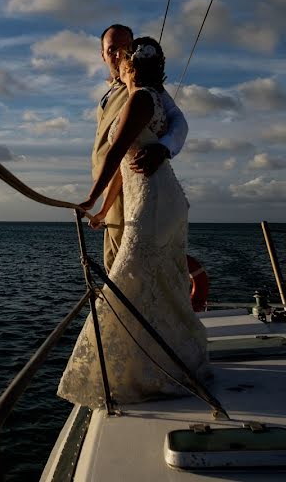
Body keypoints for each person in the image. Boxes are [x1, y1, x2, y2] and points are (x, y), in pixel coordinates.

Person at [57, 37, 208, 408]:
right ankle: (162, 361)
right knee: (159, 282)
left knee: (129, 278)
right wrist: (103, 207)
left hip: (154, 203)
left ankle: (144, 370)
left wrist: (90, 195)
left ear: (129, 67)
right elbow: (124, 172)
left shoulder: (141, 98)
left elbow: (118, 153)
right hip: (154, 198)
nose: (117, 68)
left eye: (121, 62)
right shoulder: (143, 97)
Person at [91, 24, 188, 272]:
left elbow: (178, 120)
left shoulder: (147, 91)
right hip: (112, 191)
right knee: (116, 263)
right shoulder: (110, 92)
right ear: (102, 54)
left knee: (126, 270)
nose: (117, 55)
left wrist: (164, 148)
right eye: (111, 49)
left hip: (134, 190)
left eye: (124, 49)